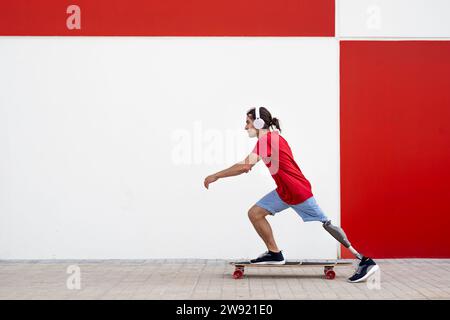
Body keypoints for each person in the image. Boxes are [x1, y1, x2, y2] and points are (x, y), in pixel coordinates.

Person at [203, 107, 379, 283]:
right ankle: (274, 254)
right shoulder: (273, 138)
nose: (245, 127)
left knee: (326, 223)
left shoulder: (268, 140)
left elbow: (245, 165)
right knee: (255, 213)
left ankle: (365, 261)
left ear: (258, 123)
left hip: (297, 191)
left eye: (247, 122)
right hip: (285, 191)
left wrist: (216, 175)